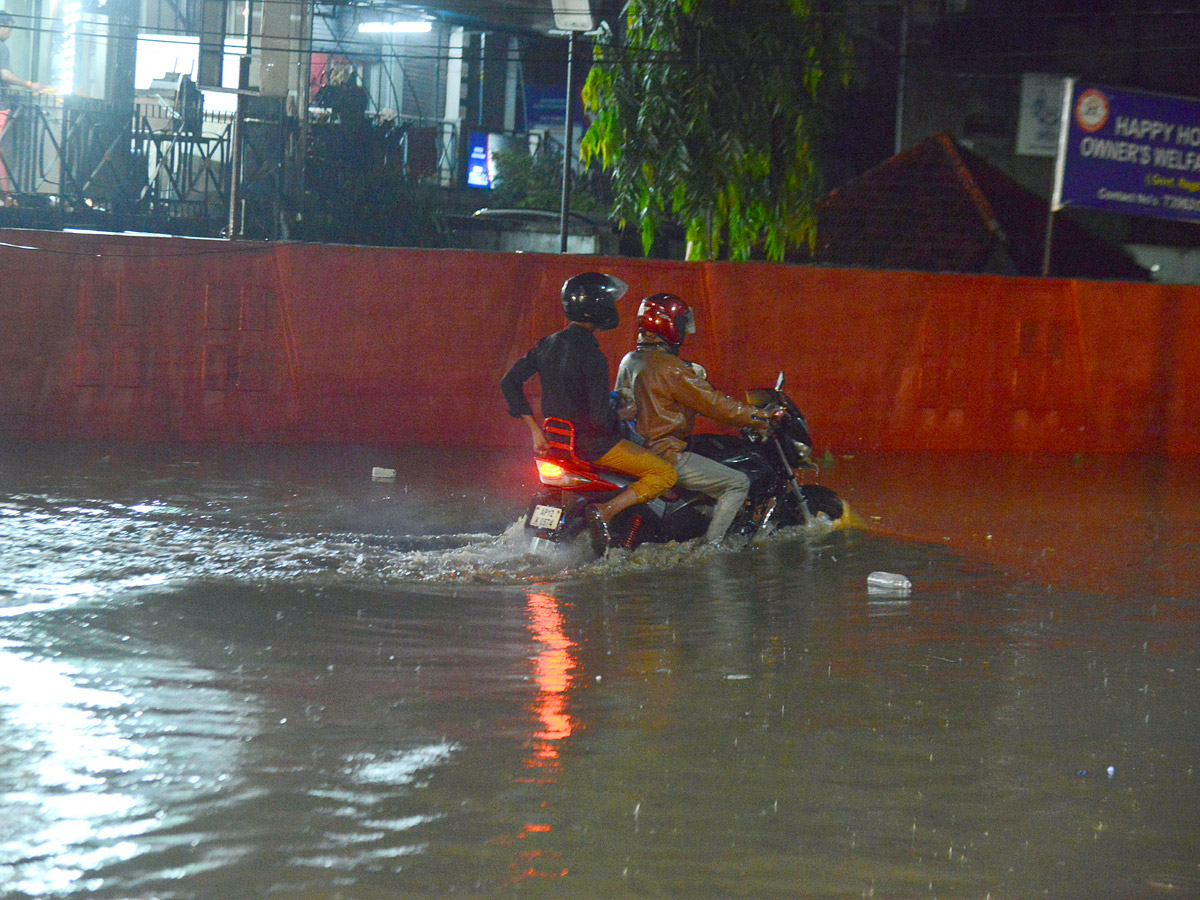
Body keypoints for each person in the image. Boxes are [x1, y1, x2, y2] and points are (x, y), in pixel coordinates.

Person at [501, 273, 677, 548]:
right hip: (593, 446)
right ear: (599, 307)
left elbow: (509, 382)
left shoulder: (547, 344)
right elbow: (598, 420)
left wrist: (536, 431)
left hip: (558, 445)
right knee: (665, 473)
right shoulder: (593, 357)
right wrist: (622, 413)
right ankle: (606, 511)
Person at [615, 293, 771, 545]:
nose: (683, 330)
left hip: (635, 452)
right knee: (738, 482)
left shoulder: (630, 360)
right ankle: (711, 548)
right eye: (679, 323)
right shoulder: (671, 368)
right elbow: (716, 405)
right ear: (666, 324)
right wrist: (758, 416)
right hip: (665, 452)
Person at [0, 12, 41, 197]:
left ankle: (4, 193)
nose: (10, 33)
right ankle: (4, 193)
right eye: (9, 29)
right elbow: (5, 74)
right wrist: (29, 84)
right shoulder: (2, 48)